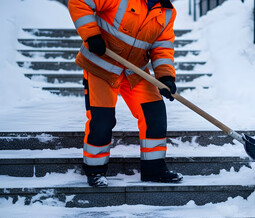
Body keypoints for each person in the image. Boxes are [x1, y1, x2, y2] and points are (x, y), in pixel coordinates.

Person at [68, 0, 183, 187]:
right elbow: (79, 2)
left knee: (154, 113)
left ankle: (154, 169)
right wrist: (91, 35)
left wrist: (165, 77)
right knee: (102, 119)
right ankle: (95, 170)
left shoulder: (167, 13)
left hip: (134, 71)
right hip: (101, 66)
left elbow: (162, 47)